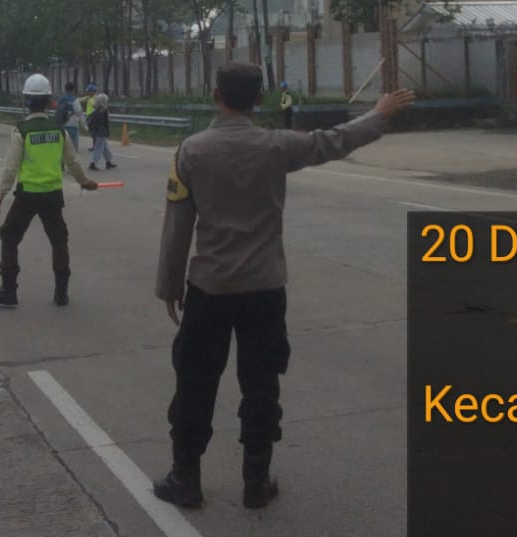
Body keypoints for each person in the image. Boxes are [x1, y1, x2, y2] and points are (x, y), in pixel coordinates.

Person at [152, 63, 415, 509]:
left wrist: (170, 286)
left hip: (210, 288)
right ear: (259, 100)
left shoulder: (190, 151)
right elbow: (334, 141)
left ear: (216, 96)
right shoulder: (277, 146)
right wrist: (379, 113)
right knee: (261, 384)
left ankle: (186, 478)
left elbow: (178, 225)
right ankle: (256, 481)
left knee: (195, 382)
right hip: (264, 288)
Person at [0, 73, 98, 308]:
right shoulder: (59, 130)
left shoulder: (21, 131)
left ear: (26, 101)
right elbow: (73, 162)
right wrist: (85, 182)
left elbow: (10, 168)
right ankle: (61, 292)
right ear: (49, 101)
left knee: (9, 236)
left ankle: (9, 290)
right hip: (53, 195)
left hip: (27, 195)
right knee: (58, 241)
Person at [87, 90, 116, 170]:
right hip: (101, 131)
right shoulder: (104, 110)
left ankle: (108, 161)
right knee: (98, 147)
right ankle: (93, 163)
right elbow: (105, 123)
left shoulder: (96, 109)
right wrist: (107, 132)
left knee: (105, 147)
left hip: (95, 130)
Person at [55, 81, 86, 151]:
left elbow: (57, 111)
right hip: (72, 125)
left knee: (62, 147)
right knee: (73, 148)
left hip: (61, 125)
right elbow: (80, 113)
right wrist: (86, 126)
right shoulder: (74, 99)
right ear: (73, 90)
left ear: (65, 89)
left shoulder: (60, 99)